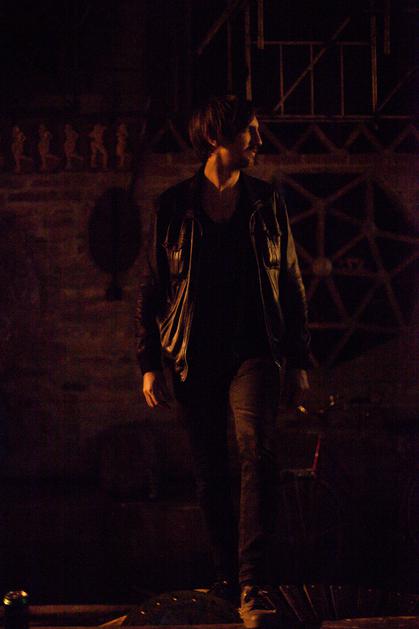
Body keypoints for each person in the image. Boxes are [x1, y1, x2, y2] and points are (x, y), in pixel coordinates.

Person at [135, 95, 310, 628]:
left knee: (259, 453)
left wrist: (298, 359)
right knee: (210, 470)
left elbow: (291, 282)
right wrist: (148, 362)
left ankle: (254, 582)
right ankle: (226, 579)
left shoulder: (266, 202)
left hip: (255, 351)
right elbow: (153, 288)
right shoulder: (173, 206)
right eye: (250, 131)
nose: (258, 141)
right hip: (194, 355)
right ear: (216, 137)